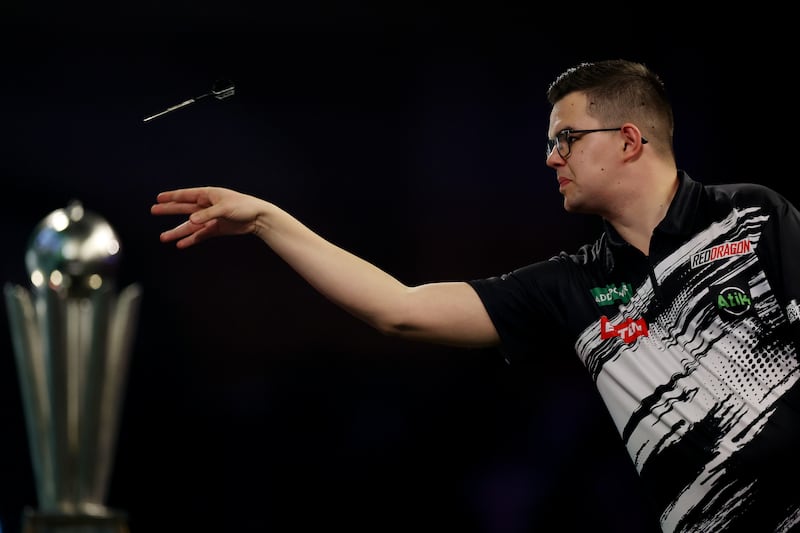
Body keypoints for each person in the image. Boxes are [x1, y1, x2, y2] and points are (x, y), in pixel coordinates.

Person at [150, 59, 800, 533]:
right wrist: (268, 219)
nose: (550, 157)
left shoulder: (753, 216)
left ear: (629, 140)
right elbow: (399, 309)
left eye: (565, 138)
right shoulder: (571, 284)